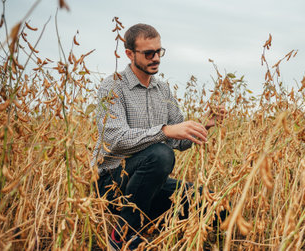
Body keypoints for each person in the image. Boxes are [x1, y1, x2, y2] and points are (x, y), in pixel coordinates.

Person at [92, 23, 224, 249]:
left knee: (214, 205)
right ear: (129, 54)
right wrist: (163, 131)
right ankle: (123, 234)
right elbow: (115, 139)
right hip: (111, 183)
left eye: (159, 51)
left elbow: (178, 141)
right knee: (160, 154)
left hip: (148, 184)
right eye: (148, 53)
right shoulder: (113, 86)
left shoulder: (163, 89)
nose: (156, 58)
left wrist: (204, 125)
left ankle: (150, 227)